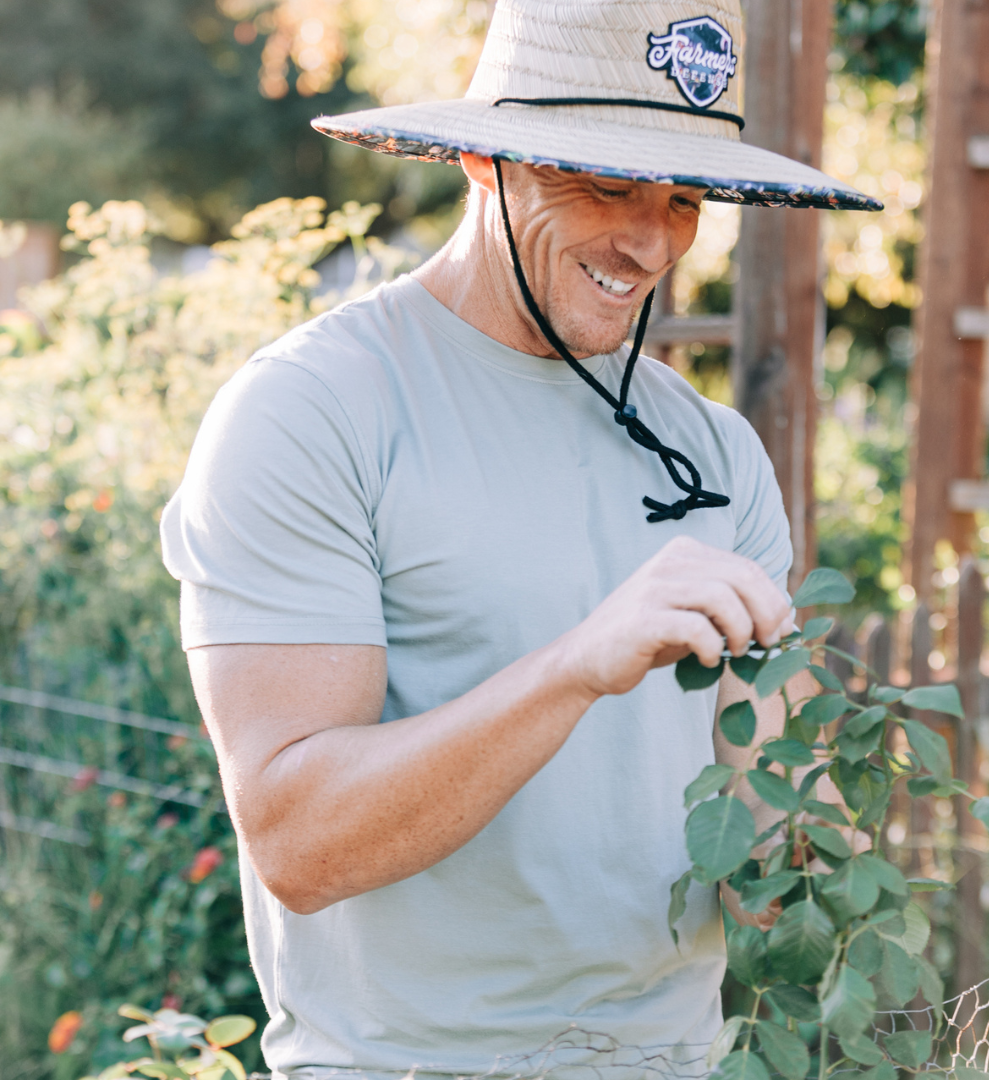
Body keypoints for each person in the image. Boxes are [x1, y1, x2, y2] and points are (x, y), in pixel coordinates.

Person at [160, 1, 878, 1076]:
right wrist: (578, 667)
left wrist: (844, 815)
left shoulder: (713, 450)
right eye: (605, 184)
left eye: (684, 198)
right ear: (484, 161)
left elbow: (762, 824)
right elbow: (298, 844)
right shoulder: (314, 412)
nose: (650, 241)